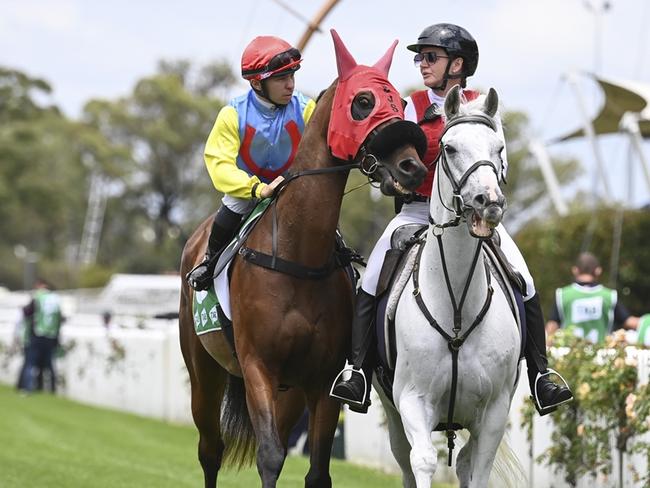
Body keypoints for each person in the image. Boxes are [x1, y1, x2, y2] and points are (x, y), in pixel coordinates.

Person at [331, 23, 573, 416]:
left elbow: (499, 166)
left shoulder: (486, 107)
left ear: (457, 64)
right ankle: (357, 371)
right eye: (419, 57)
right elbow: (394, 161)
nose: (421, 64)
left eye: (430, 57)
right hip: (417, 212)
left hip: (476, 217)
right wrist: (390, 180)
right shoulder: (408, 105)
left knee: (524, 279)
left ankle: (540, 376)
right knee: (372, 277)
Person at [186, 36, 316, 290]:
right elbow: (219, 163)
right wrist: (257, 189)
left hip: (293, 189)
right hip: (247, 192)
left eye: (292, 76)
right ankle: (209, 262)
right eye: (281, 79)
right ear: (257, 82)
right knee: (235, 202)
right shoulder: (232, 114)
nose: (290, 85)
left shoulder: (306, 108)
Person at [546, 252, 639, 343]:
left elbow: (552, 327)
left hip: (569, 356)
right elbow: (629, 321)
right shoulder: (609, 296)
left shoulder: (563, 295)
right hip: (601, 355)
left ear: (575, 270)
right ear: (598, 271)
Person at [19, 278, 63, 393]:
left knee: (30, 362)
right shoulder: (56, 299)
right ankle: (52, 390)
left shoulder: (38, 297)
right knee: (49, 365)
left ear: (40, 286)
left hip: (37, 334)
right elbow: (60, 318)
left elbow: (27, 312)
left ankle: (27, 388)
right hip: (51, 336)